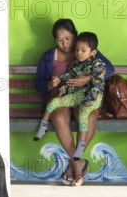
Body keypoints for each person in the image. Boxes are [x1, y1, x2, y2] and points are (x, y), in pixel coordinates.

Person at [35, 19, 114, 186]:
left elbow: (109, 68)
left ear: (75, 35)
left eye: (68, 38)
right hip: (61, 96)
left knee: (90, 117)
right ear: (55, 40)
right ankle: (79, 163)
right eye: (60, 39)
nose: (65, 43)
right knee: (58, 118)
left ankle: (73, 165)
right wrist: (50, 84)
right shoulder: (49, 56)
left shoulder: (86, 49)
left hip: (83, 96)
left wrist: (88, 79)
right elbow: (39, 83)